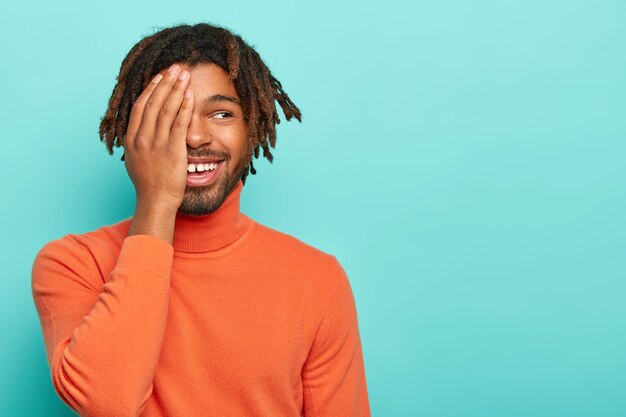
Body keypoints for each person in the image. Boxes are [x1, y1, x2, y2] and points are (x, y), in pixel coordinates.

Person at [31, 22, 371, 417]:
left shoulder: (318, 280)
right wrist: (157, 201)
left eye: (222, 113)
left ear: (253, 129)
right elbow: (109, 403)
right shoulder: (74, 264)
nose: (195, 137)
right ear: (136, 132)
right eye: (172, 116)